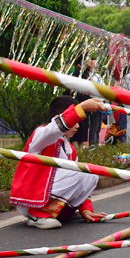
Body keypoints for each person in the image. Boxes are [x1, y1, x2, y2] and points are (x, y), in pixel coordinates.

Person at [11, 96, 107, 229]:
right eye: (75, 121)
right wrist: (82, 107)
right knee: (79, 170)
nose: (78, 126)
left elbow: (79, 182)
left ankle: (60, 212)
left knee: (90, 172)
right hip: (32, 200)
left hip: (50, 195)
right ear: (59, 118)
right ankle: (37, 215)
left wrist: (86, 210)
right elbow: (54, 129)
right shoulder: (41, 135)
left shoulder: (69, 149)